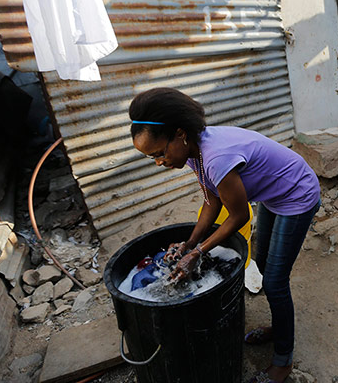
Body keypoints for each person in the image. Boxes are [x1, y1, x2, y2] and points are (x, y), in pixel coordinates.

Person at [129, 88, 321, 383]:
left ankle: (283, 360)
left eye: (159, 153)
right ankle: (279, 326)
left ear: (179, 134)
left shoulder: (216, 156)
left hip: (296, 195)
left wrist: (198, 252)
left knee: (274, 280)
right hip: (273, 197)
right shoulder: (194, 151)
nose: (158, 162)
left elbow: (239, 216)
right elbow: (211, 201)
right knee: (263, 262)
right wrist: (189, 243)